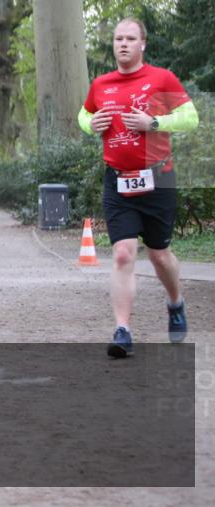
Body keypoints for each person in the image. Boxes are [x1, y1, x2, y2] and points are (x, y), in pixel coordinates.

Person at [78, 18, 198, 358]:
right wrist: (91, 124)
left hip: (157, 178)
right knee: (122, 253)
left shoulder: (161, 78)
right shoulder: (102, 84)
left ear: (143, 44)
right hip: (117, 179)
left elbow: (191, 117)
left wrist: (154, 123)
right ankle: (122, 329)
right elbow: (83, 116)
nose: (123, 44)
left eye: (131, 38)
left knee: (159, 254)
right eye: (118, 39)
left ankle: (175, 302)